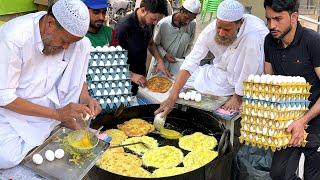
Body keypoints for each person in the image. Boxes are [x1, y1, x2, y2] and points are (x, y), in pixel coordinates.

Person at [0, 0, 101, 169]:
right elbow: (5, 97)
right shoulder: (14, 38)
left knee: (84, 45)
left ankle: (57, 126)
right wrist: (57, 114)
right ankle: (55, 126)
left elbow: (78, 76)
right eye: (64, 41)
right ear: (50, 23)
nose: (66, 47)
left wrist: (85, 97)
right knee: (7, 157)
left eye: (71, 43)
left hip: (51, 108)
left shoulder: (73, 43)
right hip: (14, 111)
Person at [155, 0, 269, 116]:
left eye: (227, 30)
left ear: (240, 24)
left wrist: (238, 96)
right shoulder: (210, 32)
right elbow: (191, 61)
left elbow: (257, 64)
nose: (221, 33)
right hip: (223, 72)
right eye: (219, 27)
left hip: (249, 76)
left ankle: (239, 95)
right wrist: (172, 98)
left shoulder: (255, 32)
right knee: (189, 80)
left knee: (251, 40)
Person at [263, 0, 320, 179]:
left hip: (315, 121)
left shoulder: (313, 41)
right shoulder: (270, 41)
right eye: (268, 19)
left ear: (294, 17)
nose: (272, 25)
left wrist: (303, 121)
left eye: (278, 19)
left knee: (313, 175)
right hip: (287, 123)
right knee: (279, 174)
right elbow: (269, 80)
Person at [115, 0, 171, 95]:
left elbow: (150, 43)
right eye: (153, 19)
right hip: (123, 79)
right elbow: (113, 59)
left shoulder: (147, 23)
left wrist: (159, 60)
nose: (155, 23)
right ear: (143, 10)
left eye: (158, 20)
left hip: (141, 75)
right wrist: (131, 75)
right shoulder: (123, 27)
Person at [147, 0, 200, 78]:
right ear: (181, 11)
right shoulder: (163, 24)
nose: (188, 22)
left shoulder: (193, 24)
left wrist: (184, 59)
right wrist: (165, 55)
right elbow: (155, 44)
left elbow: (190, 44)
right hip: (161, 64)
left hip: (177, 64)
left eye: (192, 19)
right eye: (186, 18)